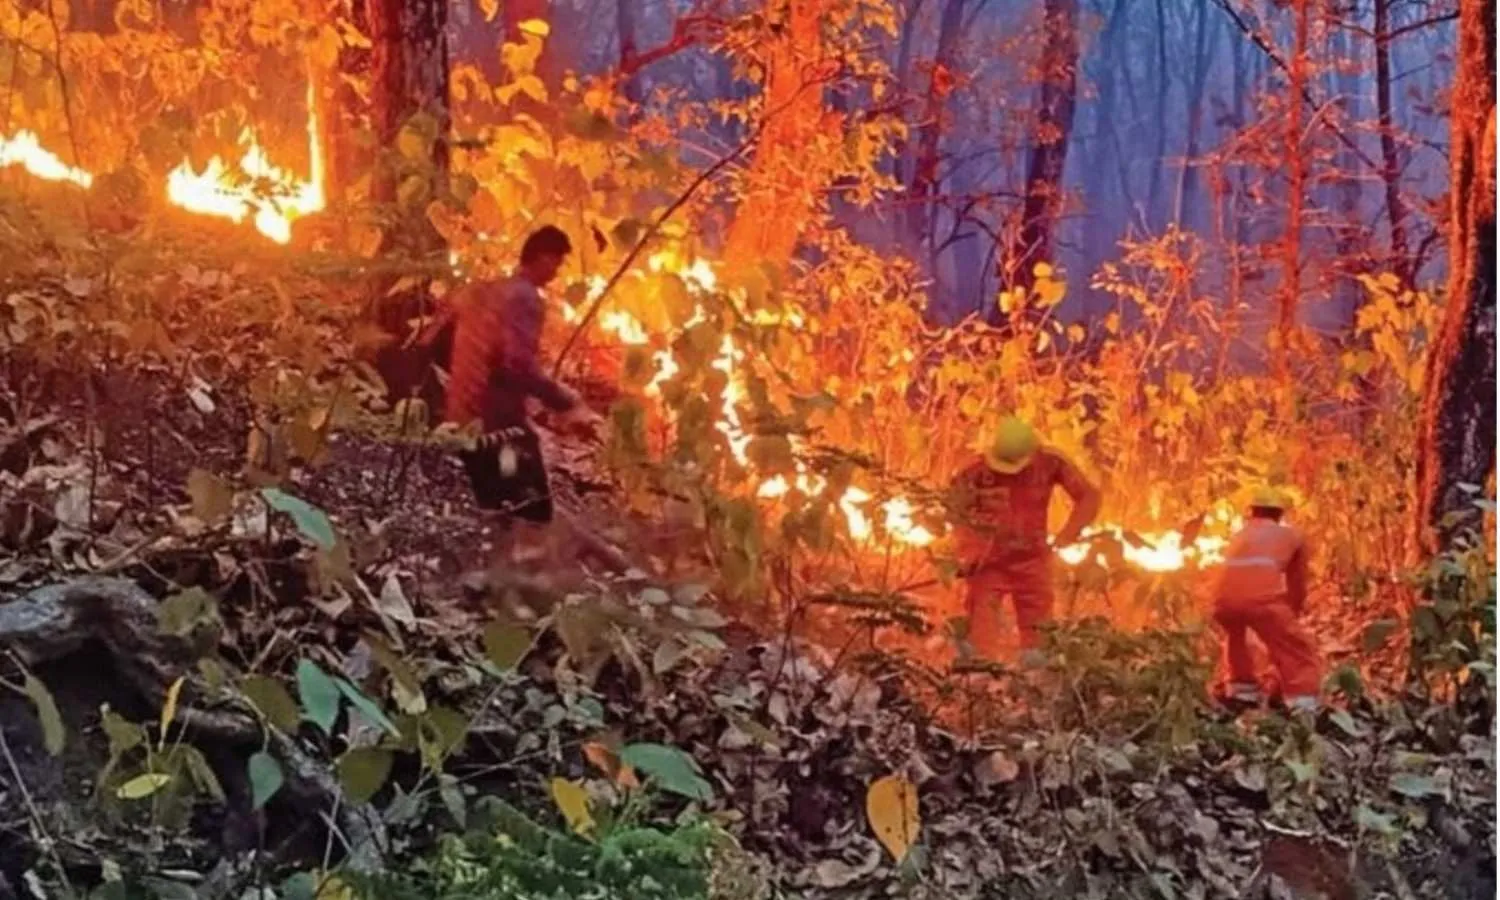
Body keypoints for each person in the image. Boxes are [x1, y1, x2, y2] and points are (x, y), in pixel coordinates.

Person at [445, 225, 599, 563]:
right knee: (531, 510)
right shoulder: (525, 297)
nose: (556, 272)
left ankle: (488, 579)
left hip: (467, 413)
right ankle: (519, 588)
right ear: (543, 257)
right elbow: (517, 365)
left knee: (496, 508)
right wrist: (565, 400)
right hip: (501, 420)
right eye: (556, 263)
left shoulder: (488, 291)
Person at [949, 416, 1101, 658]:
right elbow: (954, 511)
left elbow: (1088, 497)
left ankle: (1034, 684)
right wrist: (969, 550)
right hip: (989, 564)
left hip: (1033, 561)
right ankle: (977, 680)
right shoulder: (974, 472)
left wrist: (1069, 533)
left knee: (1038, 634)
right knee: (981, 632)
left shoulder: (1051, 463)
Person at [1212, 487, 1321, 711]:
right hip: (1261, 601)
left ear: (1251, 512)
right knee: (1295, 647)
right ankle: (1303, 703)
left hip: (1221, 601)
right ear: (1280, 514)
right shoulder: (1292, 535)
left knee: (1237, 639)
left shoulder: (1239, 535)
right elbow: (1297, 581)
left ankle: (1242, 690)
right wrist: (1293, 611)